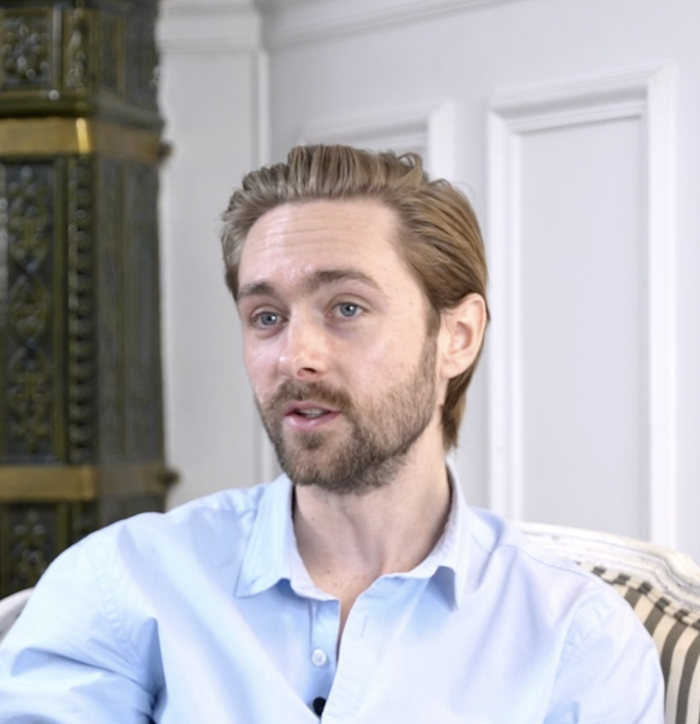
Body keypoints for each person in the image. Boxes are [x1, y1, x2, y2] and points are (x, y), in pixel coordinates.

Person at [0, 145, 663, 723]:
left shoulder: (575, 637)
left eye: (347, 307)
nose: (295, 357)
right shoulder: (122, 584)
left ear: (457, 337)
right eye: (266, 316)